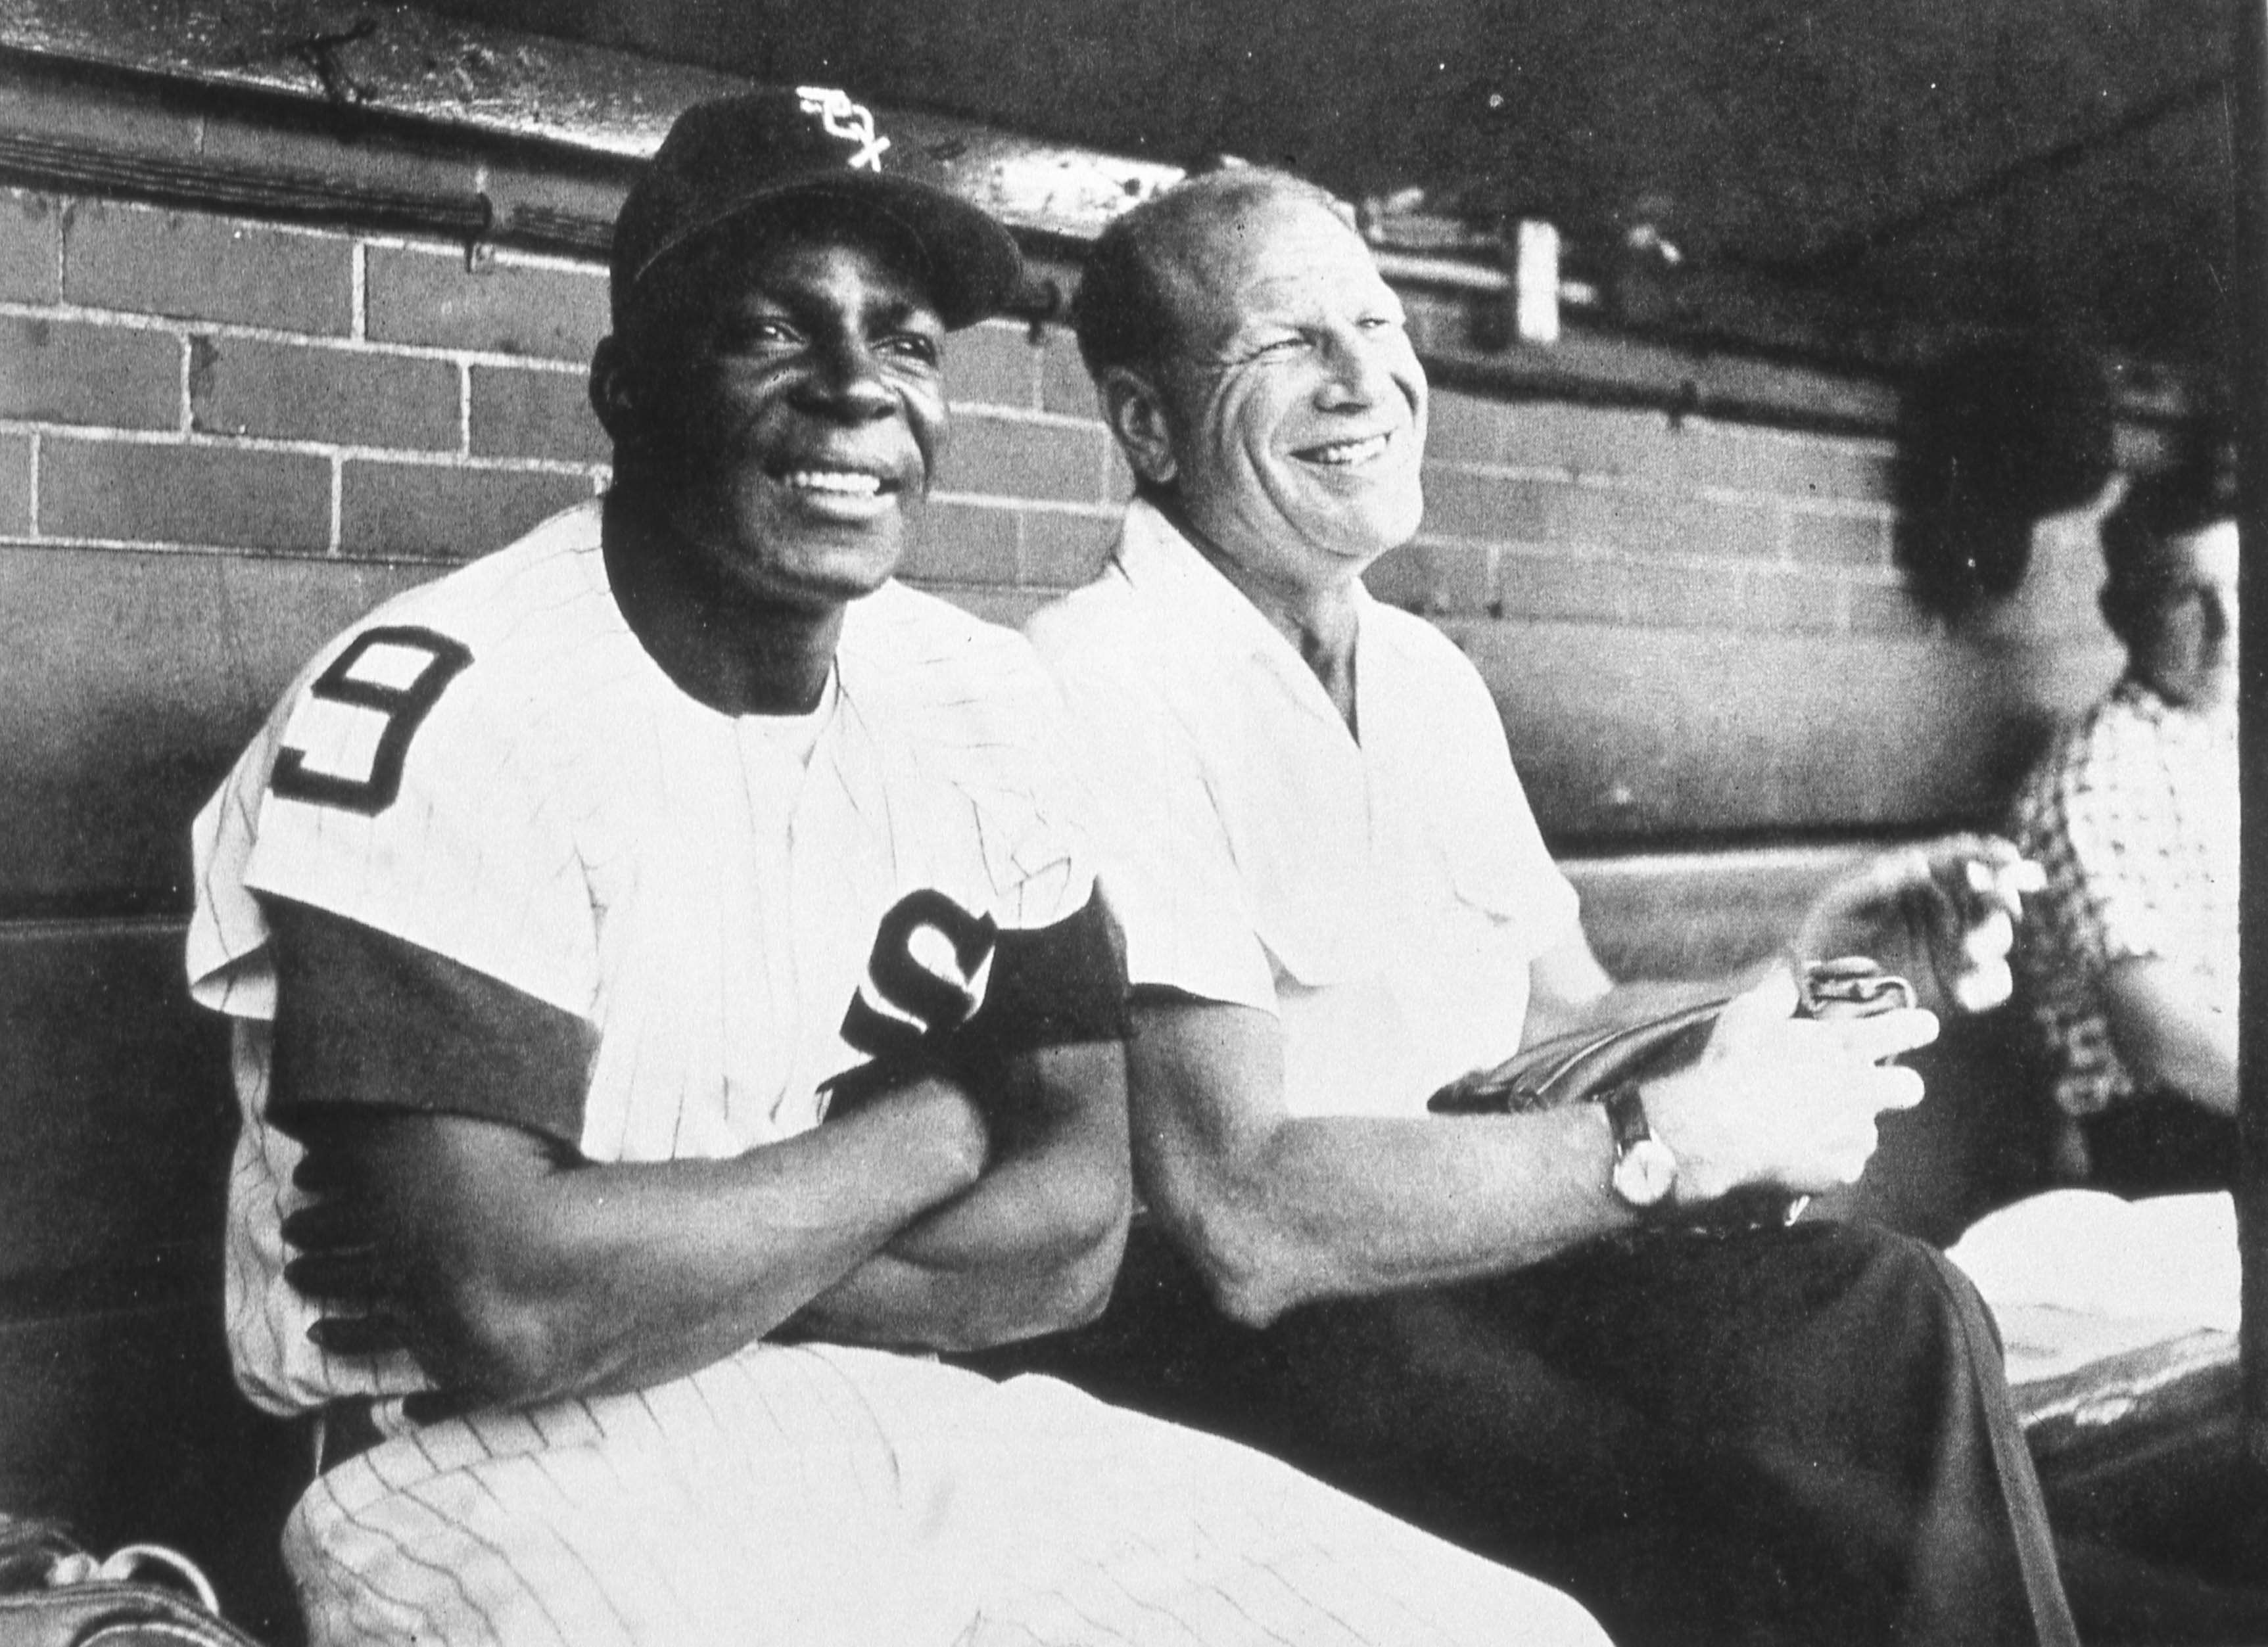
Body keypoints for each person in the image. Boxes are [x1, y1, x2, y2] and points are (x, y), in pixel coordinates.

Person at [183, 95, 1609, 1647]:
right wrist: (937, 1135)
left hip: (897, 1419)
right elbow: (506, 1309)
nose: (857, 389)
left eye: (908, 341)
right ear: (626, 390)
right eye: (771, 335)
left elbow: (1071, 1227)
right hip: (473, 1462)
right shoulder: (452, 693)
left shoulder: (978, 697)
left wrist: (641, 1252)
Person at [973, 166, 2079, 1647]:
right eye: (1284, 344)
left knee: (1892, 1315)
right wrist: (1668, 1144)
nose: (1366, 375)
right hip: (1257, 1322)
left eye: (1377, 320)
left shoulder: (1422, 674)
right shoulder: (1095, 681)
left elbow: (1563, 1019)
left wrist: (1834, 965)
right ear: (1148, 423)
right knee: (1694, 1508)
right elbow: (1238, 1213)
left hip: (1484, 1254)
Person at [2008, 453, 2238, 1192]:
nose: (2228, 626)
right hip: (2168, 1146)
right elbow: (2163, 1040)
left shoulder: (2224, 738)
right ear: (2121, 613)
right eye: (2187, 596)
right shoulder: (2095, 778)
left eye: (2244, 587)